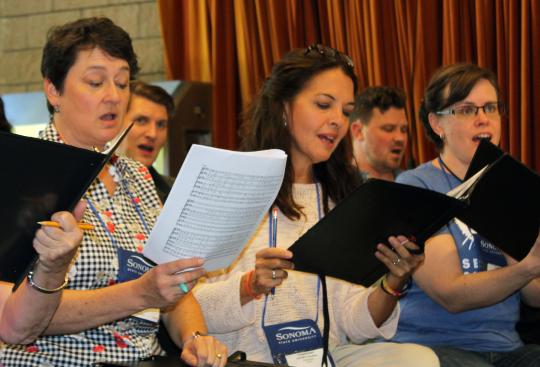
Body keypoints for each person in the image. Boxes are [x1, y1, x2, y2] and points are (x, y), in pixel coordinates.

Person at [0, 17, 227, 367]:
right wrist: (138, 294)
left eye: (122, 83)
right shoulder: (23, 174)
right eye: (95, 82)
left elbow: (171, 288)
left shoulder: (137, 175)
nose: (114, 96)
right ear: (53, 90)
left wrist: (194, 338)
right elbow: (14, 314)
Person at [193, 45, 439, 367]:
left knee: (418, 360)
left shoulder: (343, 196)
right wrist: (249, 285)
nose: (337, 120)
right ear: (283, 107)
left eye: (346, 110)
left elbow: (353, 322)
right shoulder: (230, 186)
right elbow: (185, 303)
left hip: (326, 357)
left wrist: (393, 282)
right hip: (246, 360)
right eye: (324, 104)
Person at [391, 63, 540, 367]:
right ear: (437, 124)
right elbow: (451, 294)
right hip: (435, 345)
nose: (483, 118)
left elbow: (534, 296)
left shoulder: (513, 188)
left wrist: (527, 265)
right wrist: (526, 268)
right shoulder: (416, 186)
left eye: (490, 107)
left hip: (508, 348)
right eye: (467, 109)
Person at [120, 80, 175, 203]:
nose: (153, 134)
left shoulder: (176, 193)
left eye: (161, 125)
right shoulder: (88, 188)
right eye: (141, 120)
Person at [349, 86, 408, 181]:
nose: (400, 138)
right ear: (358, 131)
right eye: (388, 129)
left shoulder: (413, 183)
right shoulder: (336, 188)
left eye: (404, 130)